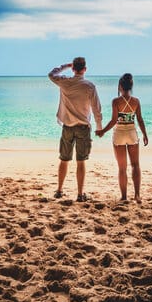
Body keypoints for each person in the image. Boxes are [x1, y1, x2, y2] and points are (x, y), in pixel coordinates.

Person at [47, 56, 102, 202]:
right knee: (81, 161)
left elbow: (51, 74)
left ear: (73, 68)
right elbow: (97, 109)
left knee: (64, 160)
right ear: (85, 69)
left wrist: (64, 65)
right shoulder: (89, 86)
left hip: (67, 127)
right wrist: (99, 127)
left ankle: (59, 190)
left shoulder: (65, 82)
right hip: (83, 128)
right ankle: (80, 194)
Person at [96, 73, 148, 203]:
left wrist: (103, 131)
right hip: (131, 133)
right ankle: (137, 195)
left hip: (119, 134)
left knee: (122, 168)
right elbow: (140, 120)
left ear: (120, 87)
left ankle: (124, 196)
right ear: (131, 87)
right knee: (135, 165)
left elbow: (114, 120)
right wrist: (145, 134)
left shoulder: (116, 101)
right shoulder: (136, 101)